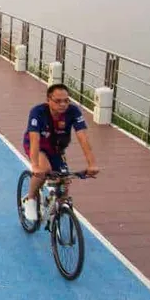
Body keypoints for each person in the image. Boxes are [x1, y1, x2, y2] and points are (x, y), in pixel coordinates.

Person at [21, 83, 99, 221]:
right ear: (48, 100)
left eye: (66, 100)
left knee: (64, 186)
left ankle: (53, 211)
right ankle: (30, 199)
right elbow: (34, 139)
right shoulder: (37, 112)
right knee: (44, 169)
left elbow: (83, 138)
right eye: (58, 101)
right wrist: (35, 166)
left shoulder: (73, 112)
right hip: (37, 146)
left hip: (56, 148)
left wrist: (92, 164)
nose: (63, 104)